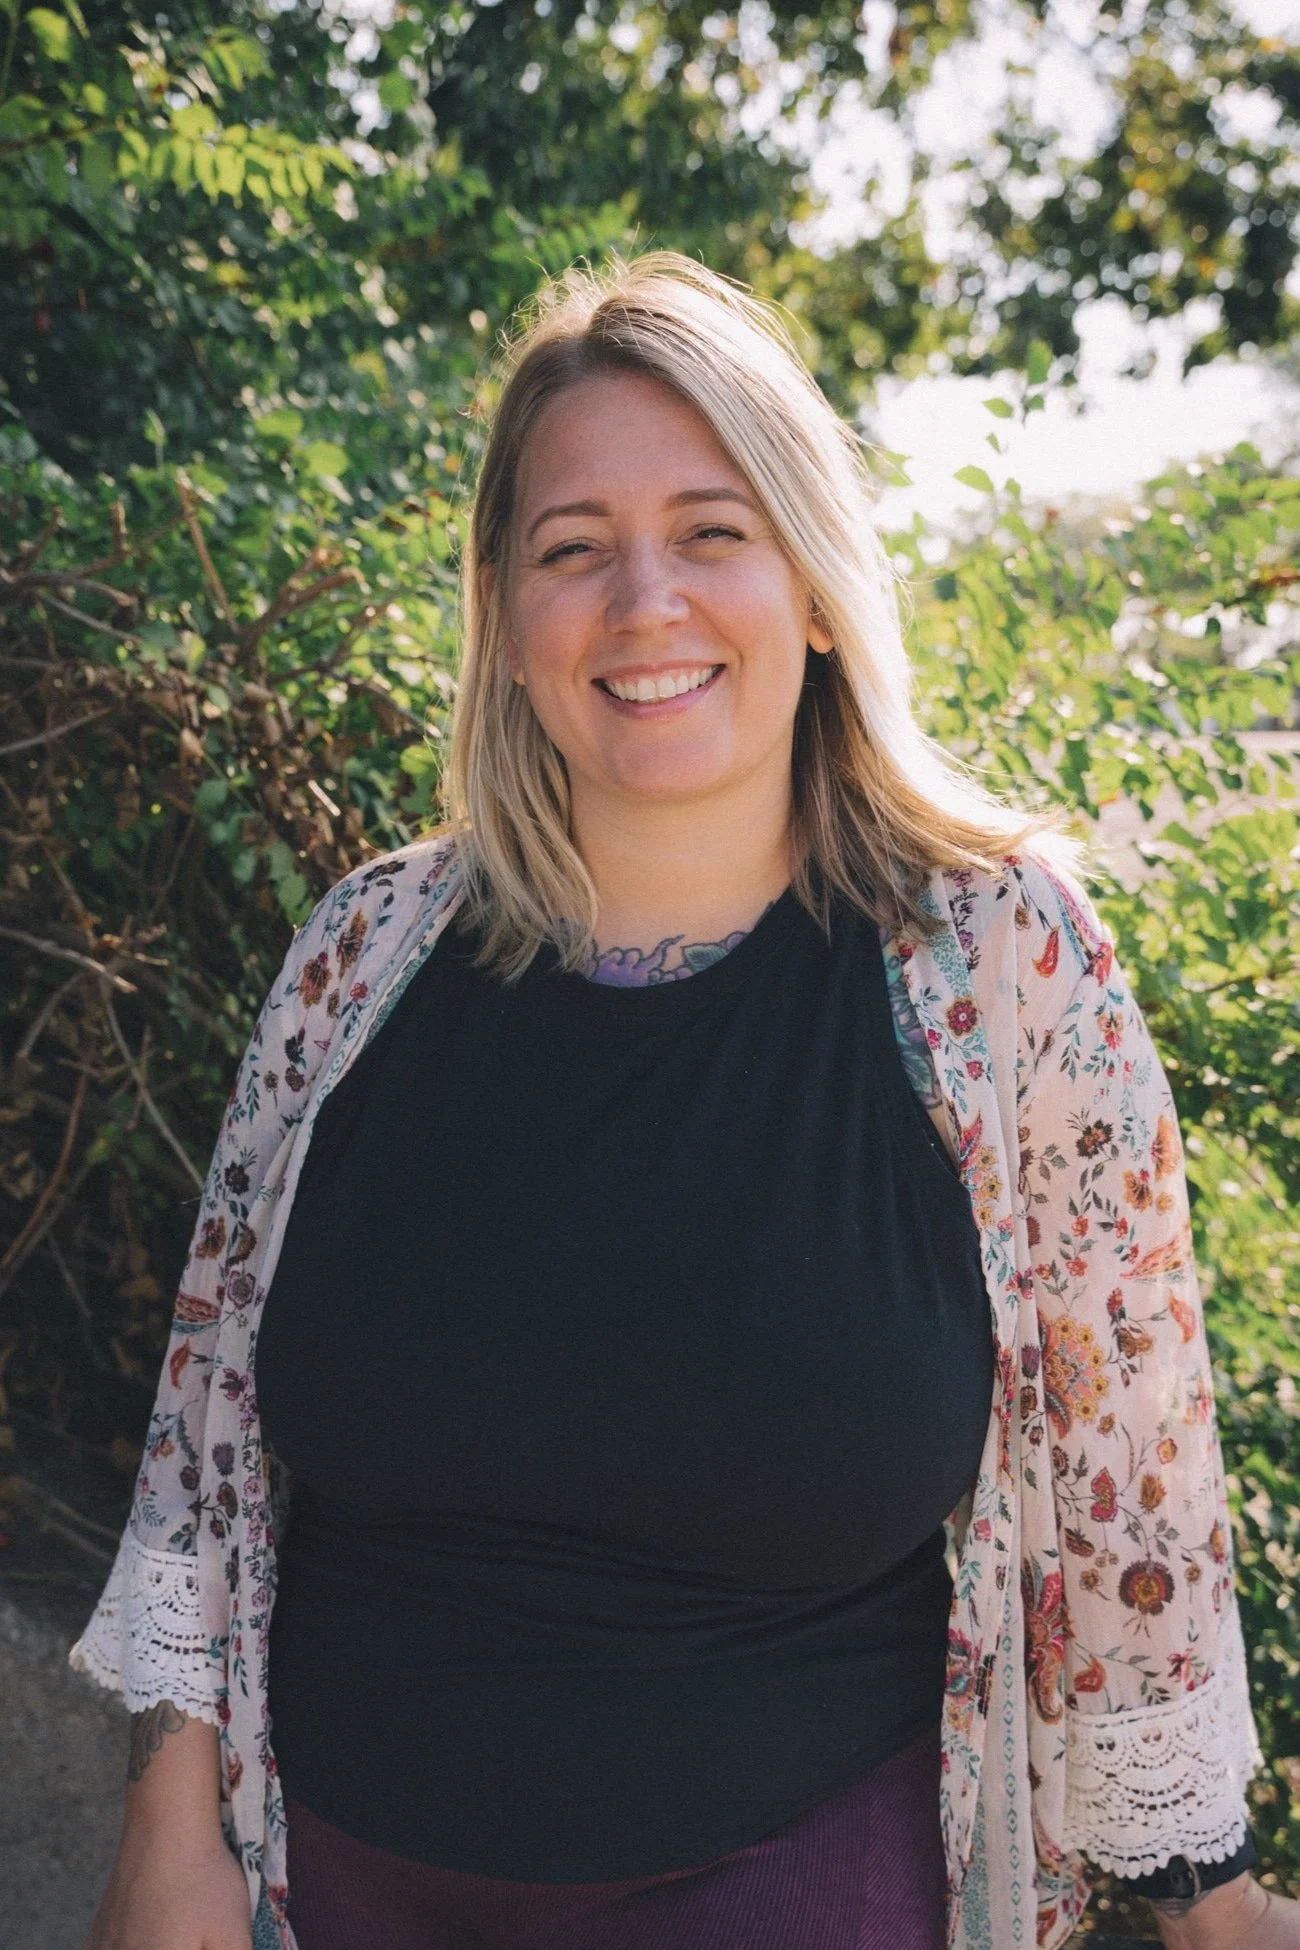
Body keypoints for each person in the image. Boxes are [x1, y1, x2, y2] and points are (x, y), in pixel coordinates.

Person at [74, 252, 1292, 1950]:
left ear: (810, 578)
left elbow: (1130, 1468)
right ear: (504, 616)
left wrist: (1208, 1902)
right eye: (573, 549)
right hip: (322, 1883)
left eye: (713, 529)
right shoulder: (362, 956)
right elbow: (208, 1429)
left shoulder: (1004, 969)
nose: (645, 601)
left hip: (786, 1883)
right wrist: (167, 1821)